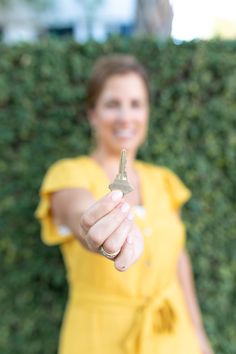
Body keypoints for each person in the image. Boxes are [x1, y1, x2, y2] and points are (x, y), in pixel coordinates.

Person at [35, 54, 214, 354]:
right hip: (99, 339)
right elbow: (79, 214)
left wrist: (199, 336)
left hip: (173, 337)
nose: (125, 117)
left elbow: (178, 262)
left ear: (147, 112)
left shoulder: (165, 182)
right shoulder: (69, 174)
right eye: (112, 104)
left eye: (136, 104)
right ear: (92, 114)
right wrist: (95, 231)